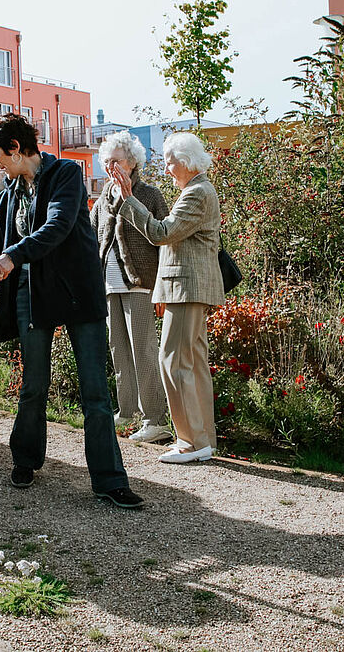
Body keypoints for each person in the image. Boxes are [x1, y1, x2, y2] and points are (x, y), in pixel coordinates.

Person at [0, 113, 144, 509]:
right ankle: (26, 459)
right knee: (33, 386)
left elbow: (57, 226)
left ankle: (109, 480)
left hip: (77, 291)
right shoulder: (10, 192)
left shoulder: (65, 174)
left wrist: (13, 255)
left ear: (15, 149)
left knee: (94, 392)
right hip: (33, 292)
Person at [108, 132, 223, 464]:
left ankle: (191, 442)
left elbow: (161, 234)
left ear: (185, 162)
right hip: (186, 289)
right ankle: (202, 441)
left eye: (170, 162)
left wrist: (128, 198)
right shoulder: (197, 190)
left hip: (188, 290)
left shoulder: (197, 193)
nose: (168, 169)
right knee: (191, 362)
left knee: (173, 361)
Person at [90, 131, 170, 444]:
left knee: (143, 352)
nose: (111, 167)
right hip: (109, 286)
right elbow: (92, 237)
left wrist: (163, 286)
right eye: (107, 162)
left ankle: (156, 419)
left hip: (141, 285)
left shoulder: (149, 195)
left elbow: (166, 242)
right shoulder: (102, 199)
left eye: (117, 161)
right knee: (119, 352)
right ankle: (127, 413)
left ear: (132, 162)